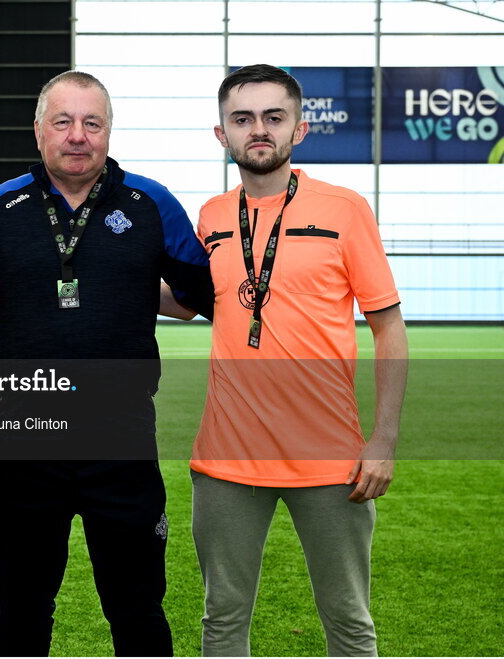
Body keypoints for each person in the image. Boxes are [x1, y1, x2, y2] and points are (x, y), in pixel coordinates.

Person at [0, 71, 214, 656]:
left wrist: (137, 289)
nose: (77, 136)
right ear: (38, 130)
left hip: (122, 444)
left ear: (109, 131)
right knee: (22, 612)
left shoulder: (150, 204)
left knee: (138, 610)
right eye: (63, 122)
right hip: (25, 443)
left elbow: (200, 298)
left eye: (92, 123)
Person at [187, 64, 408, 656]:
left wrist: (382, 441)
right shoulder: (209, 217)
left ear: (299, 129)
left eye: (273, 117)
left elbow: (389, 330)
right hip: (226, 460)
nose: (258, 130)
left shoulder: (345, 209)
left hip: (331, 459)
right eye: (243, 119)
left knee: (349, 622)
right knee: (222, 621)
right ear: (222, 134)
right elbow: (189, 303)